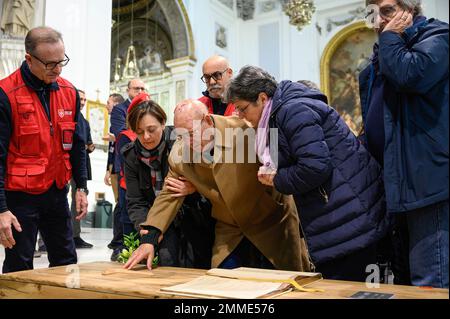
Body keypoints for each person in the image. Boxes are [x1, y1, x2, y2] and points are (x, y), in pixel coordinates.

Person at [226, 65, 392, 282]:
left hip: (351, 217)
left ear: (262, 98)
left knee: (357, 291)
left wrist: (278, 179)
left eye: (242, 108)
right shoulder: (279, 113)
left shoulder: (292, 111)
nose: (239, 115)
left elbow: (316, 167)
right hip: (342, 215)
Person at [124, 99, 313, 272]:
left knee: (282, 283)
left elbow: (288, 163)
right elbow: (168, 195)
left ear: (207, 121)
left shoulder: (246, 131)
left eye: (191, 133)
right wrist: (149, 238)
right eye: (180, 136)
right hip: (230, 227)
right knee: (220, 278)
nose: (187, 142)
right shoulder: (180, 153)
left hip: (270, 220)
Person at [360, 0, 449, 288]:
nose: (378, 21)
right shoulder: (376, 63)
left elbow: (411, 76)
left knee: (431, 282)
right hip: (395, 185)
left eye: (386, 10)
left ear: (410, 10)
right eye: (372, 14)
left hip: (428, 184)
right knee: (406, 283)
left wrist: (389, 38)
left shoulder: (438, 37)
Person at [0, 26, 88, 273]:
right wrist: (1, 210)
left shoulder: (69, 92)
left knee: (67, 261)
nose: (58, 70)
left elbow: (77, 144)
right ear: (29, 59)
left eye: (61, 62)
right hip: (20, 198)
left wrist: (81, 186)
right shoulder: (6, 93)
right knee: (19, 266)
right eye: (50, 64)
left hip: (57, 192)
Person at [120, 93, 214, 268]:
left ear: (163, 123)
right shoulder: (131, 156)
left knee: (198, 263)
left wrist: (194, 187)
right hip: (157, 217)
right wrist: (148, 229)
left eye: (151, 129)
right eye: (139, 132)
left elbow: (210, 178)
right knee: (167, 261)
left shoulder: (182, 141)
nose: (146, 137)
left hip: (191, 213)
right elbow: (135, 201)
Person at [109, 80, 146, 260]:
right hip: (127, 179)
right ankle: (120, 247)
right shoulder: (124, 132)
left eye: (142, 88)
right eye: (136, 88)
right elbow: (119, 135)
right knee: (124, 212)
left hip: (145, 184)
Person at [69, 89, 94, 249]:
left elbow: (88, 143)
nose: (83, 102)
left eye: (85, 100)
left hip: (79, 165)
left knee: (77, 201)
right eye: (81, 99)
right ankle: (43, 241)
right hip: (63, 163)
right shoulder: (67, 115)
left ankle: (75, 235)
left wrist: (88, 146)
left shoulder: (84, 121)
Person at [104, 93, 124, 251]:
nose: (106, 106)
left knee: (120, 204)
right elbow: (111, 151)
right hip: (115, 168)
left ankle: (118, 240)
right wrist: (107, 170)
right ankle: (117, 239)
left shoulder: (118, 124)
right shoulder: (113, 126)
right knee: (119, 203)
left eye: (109, 103)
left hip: (120, 167)